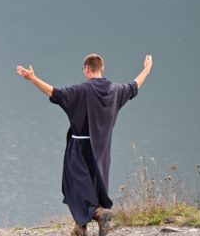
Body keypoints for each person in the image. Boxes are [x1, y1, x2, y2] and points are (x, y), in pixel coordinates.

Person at [16, 54, 153, 236]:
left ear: (87, 69)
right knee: (92, 185)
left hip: (80, 146)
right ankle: (80, 227)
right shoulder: (116, 90)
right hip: (102, 149)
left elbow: (54, 93)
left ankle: (98, 213)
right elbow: (135, 85)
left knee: (73, 184)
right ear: (101, 68)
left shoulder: (81, 90)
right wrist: (147, 69)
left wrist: (32, 78)